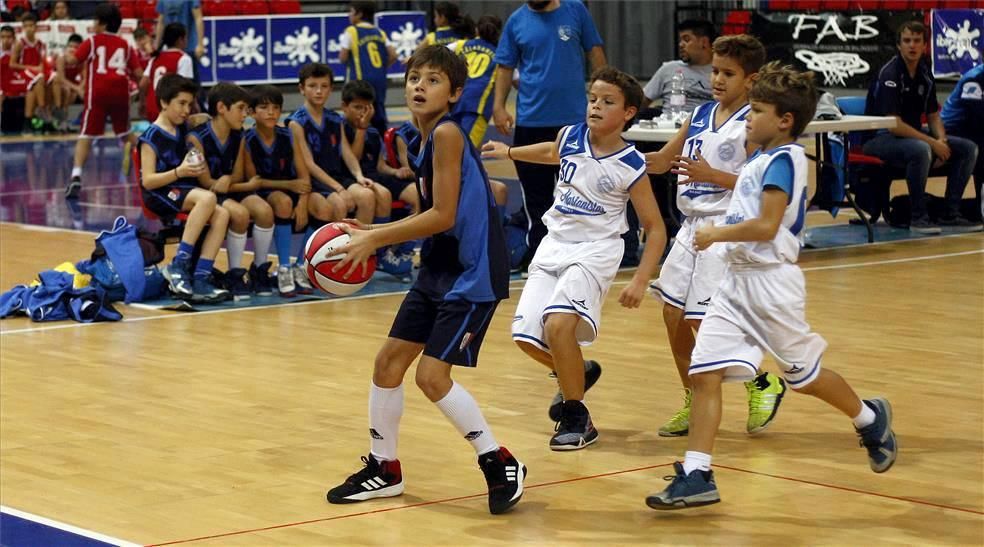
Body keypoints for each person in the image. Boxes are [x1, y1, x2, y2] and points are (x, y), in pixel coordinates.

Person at [645, 63, 898, 510]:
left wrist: (716, 234)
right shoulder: (760, 159)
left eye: (756, 110)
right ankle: (698, 473)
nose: (747, 117)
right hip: (735, 281)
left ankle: (868, 416)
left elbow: (765, 226)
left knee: (803, 377)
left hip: (769, 284)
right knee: (705, 374)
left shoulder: (784, 159)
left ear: (783, 120)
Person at [325, 45, 525, 515]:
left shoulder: (450, 132)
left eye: (433, 80)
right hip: (439, 265)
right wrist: (370, 230)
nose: (419, 85)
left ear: (455, 92)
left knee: (432, 377)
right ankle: (384, 468)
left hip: (472, 271)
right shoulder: (420, 138)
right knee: (387, 364)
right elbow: (435, 215)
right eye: (415, 77)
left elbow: (444, 213)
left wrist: (375, 240)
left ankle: (499, 461)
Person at [483, 67, 667, 450]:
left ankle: (577, 415)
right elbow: (552, 151)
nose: (596, 106)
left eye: (608, 102)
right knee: (525, 336)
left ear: (629, 113)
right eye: (593, 99)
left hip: (596, 250)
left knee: (559, 326)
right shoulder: (570, 136)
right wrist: (510, 151)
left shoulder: (631, 164)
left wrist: (640, 279)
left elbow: (655, 227)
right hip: (555, 245)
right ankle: (575, 371)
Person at [645, 34, 786, 438]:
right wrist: (616, 158)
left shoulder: (754, 122)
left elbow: (763, 183)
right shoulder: (701, 114)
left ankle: (762, 381)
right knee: (673, 315)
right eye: (715, 71)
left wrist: (713, 176)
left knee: (700, 319)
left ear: (751, 78)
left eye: (728, 73)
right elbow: (663, 160)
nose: (717, 79)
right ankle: (691, 397)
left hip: (726, 227)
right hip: (690, 228)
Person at [493, 0, 606, 270]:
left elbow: (595, 51)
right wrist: (498, 106)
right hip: (531, 122)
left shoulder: (575, 11)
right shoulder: (517, 21)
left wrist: (603, 94)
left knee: (581, 191)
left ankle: (585, 253)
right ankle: (539, 256)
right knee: (536, 198)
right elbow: (505, 67)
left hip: (574, 122)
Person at [863, 20, 980, 233]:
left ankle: (950, 213)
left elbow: (933, 115)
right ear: (899, 46)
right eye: (907, 41)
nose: (912, 45)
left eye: (917, 41)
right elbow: (894, 125)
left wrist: (942, 139)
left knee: (968, 148)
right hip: (879, 138)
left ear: (925, 45)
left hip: (912, 135)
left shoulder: (925, 73)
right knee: (921, 149)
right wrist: (933, 144)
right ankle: (918, 217)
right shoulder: (890, 74)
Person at [139, 74, 230, 303]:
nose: (186, 109)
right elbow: (148, 181)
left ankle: (201, 276)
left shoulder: (181, 126)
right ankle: (178, 265)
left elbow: (199, 118)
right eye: (181, 103)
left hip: (182, 189)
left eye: (189, 104)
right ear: (163, 102)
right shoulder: (150, 137)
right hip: (160, 192)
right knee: (208, 199)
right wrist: (179, 172)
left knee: (222, 214)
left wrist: (201, 116)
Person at [288, 62, 378, 292]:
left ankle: (359, 258)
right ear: (302, 89)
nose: (318, 91)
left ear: (330, 90)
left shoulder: (334, 118)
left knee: (367, 195)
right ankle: (317, 265)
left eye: (324, 86)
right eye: (312, 86)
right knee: (338, 204)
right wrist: (338, 188)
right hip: (312, 182)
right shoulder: (296, 122)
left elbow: (346, 152)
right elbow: (308, 163)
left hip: (334, 178)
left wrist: (358, 176)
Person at [187, 82, 276, 299]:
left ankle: (259, 270)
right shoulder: (197, 138)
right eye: (240, 108)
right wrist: (245, 185)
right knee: (240, 214)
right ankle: (235, 274)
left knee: (264, 211)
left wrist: (229, 179)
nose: (245, 114)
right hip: (207, 195)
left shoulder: (238, 135)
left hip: (232, 190)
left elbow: (235, 175)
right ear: (221, 108)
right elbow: (207, 182)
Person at [65, 3, 143, 199]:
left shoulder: (92, 41)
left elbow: (73, 61)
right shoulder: (126, 45)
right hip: (120, 93)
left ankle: (76, 176)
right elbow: (139, 74)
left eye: (95, 21)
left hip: (98, 93)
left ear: (101, 23)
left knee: (86, 135)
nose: (93, 24)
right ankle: (153, 158)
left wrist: (67, 55)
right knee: (125, 133)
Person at [338, 79, 415, 275]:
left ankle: (393, 252)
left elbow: (380, 164)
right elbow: (352, 159)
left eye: (366, 107)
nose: (362, 112)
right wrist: (362, 128)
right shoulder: (341, 128)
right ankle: (369, 252)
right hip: (350, 177)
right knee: (377, 195)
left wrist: (395, 171)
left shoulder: (372, 131)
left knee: (416, 193)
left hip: (373, 175)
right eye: (356, 107)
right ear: (344, 107)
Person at [244, 85, 312, 298]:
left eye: (276, 107)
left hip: (293, 190)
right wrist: (289, 186)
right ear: (252, 112)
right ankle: (284, 267)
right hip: (265, 192)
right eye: (264, 107)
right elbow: (255, 181)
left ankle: (301, 265)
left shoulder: (288, 135)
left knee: (325, 206)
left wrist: (303, 203)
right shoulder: (247, 139)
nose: (271, 112)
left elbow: (304, 176)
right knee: (283, 202)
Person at [339, 1, 398, 136]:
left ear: (359, 14)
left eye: (351, 11)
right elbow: (393, 55)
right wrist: (382, 67)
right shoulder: (380, 32)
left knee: (356, 112)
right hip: (379, 79)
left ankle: (354, 141)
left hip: (360, 80)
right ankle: (386, 144)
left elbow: (343, 57)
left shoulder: (352, 31)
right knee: (378, 112)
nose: (349, 14)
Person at [642, 19, 715, 115]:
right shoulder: (669, 68)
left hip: (705, 126)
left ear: (704, 42)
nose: (681, 45)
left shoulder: (720, 72)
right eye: (680, 40)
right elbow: (641, 101)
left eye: (686, 39)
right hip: (669, 125)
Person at [449, 14, 501, 149]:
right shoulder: (501, 54)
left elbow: (436, 52)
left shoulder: (461, 44)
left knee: (453, 148)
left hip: (455, 101)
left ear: (477, 30)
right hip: (477, 106)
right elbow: (517, 80)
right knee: (466, 151)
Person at [940, 64, 983, 221]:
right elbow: (976, 118)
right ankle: (952, 210)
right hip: (951, 130)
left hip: (972, 130)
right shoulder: (973, 79)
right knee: (978, 147)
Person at [141, 23, 193, 122]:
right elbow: (185, 88)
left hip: (152, 109)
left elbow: (143, 83)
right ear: (180, 40)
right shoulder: (184, 58)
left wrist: (142, 103)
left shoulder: (155, 58)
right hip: (170, 111)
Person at [10, 12, 47, 132]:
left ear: (36, 27)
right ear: (23, 28)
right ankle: (42, 109)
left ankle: (29, 120)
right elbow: (12, 64)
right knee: (38, 79)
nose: (29, 29)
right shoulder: (20, 43)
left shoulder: (40, 44)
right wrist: (32, 68)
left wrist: (40, 67)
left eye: (31, 25)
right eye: (26, 26)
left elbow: (42, 63)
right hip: (20, 73)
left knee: (41, 83)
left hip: (35, 75)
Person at [154, 0, 204, 81]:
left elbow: (198, 18)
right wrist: (157, 44)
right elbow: (161, 22)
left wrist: (200, 44)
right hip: (169, 48)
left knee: (191, 83)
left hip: (188, 46)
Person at [50, 33, 83, 132]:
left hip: (70, 84)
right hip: (56, 83)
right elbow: (61, 78)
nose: (72, 49)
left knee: (73, 94)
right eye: (70, 46)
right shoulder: (61, 58)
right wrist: (77, 88)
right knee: (68, 91)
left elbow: (85, 77)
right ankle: (59, 115)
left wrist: (80, 88)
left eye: (75, 47)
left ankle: (64, 121)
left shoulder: (81, 60)